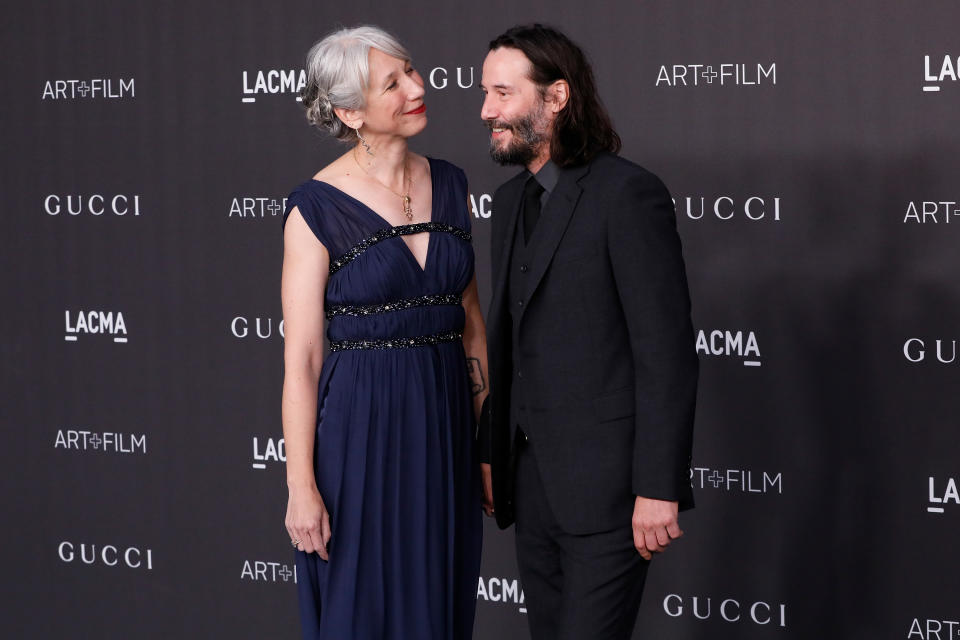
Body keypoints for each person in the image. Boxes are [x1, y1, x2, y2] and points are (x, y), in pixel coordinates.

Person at [477, 24, 699, 640]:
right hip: (532, 485)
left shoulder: (627, 194)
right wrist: (492, 451)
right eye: (485, 93)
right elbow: (513, 340)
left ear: (556, 98)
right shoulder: (506, 202)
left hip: (610, 489)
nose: (486, 111)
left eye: (502, 93)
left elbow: (666, 352)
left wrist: (658, 488)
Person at [280, 25, 485, 640]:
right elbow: (303, 361)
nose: (416, 88)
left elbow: (471, 326)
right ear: (349, 111)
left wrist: (487, 444)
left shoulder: (450, 183)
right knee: (363, 605)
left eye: (412, 72)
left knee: (438, 597)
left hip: (446, 424)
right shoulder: (314, 207)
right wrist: (300, 488)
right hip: (359, 431)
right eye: (391, 83)